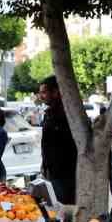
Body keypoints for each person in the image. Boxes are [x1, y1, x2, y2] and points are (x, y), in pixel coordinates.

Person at [38, 75, 77, 204]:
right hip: (52, 172)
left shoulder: (67, 113)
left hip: (65, 174)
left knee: (63, 207)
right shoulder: (49, 113)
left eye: (44, 92)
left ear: (55, 92)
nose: (41, 96)